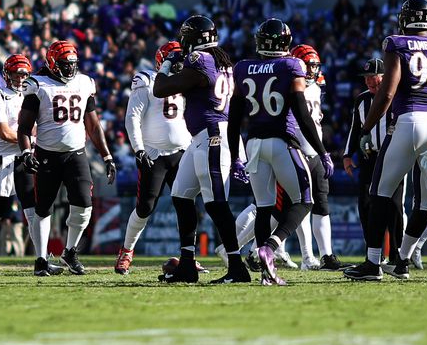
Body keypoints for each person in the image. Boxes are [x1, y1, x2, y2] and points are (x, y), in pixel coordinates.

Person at [344, 0, 427, 282]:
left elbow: (386, 93)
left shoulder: (398, 43)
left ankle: (373, 264)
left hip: (409, 121)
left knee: (380, 192)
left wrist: (364, 129)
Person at [228, 20, 328, 284]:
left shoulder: (243, 68)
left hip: (254, 144)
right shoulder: (291, 65)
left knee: (263, 207)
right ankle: (270, 248)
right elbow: (302, 114)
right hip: (282, 141)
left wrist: (235, 157)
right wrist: (322, 150)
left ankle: (266, 273)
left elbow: (235, 118)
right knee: (305, 200)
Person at [152, 15, 242, 283]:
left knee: (216, 204)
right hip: (203, 138)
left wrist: (168, 63)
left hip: (212, 136)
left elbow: (161, 88)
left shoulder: (199, 60)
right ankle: (187, 265)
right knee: (180, 195)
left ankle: (237, 267)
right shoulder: (222, 61)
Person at [16, 40, 115, 276]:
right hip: (46, 155)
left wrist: (107, 155)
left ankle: (70, 251)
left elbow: (93, 124)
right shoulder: (37, 85)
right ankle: (41, 259)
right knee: (43, 208)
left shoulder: (84, 82)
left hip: (76, 154)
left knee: (84, 205)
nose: (70, 68)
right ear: (52, 62)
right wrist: (26, 152)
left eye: (72, 64)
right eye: (64, 64)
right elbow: (24, 127)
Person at [116, 41, 189, 275]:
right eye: (173, 61)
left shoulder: (188, 80)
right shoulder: (146, 80)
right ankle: (126, 251)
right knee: (145, 206)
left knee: (186, 206)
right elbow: (132, 117)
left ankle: (188, 256)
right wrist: (138, 149)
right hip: (154, 154)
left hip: (183, 153)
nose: (177, 66)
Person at [0, 54, 39, 276]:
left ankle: (41, 259)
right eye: (16, 73)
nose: (21, 78)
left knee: (32, 210)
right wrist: (31, 138)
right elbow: (3, 132)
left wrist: (30, 140)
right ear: (7, 74)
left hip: (24, 158)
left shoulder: (32, 95)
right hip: (2, 159)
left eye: (24, 74)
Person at [342, 59, 404, 258]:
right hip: (369, 156)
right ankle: (373, 252)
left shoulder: (396, 96)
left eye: (373, 77)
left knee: (394, 205)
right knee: (366, 203)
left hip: (393, 155)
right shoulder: (361, 100)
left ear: (385, 77)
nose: (369, 81)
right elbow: (355, 129)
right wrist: (347, 155)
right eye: (366, 78)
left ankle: (397, 253)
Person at [289, 43, 338, 269]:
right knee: (300, 204)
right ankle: (308, 256)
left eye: (314, 66)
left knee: (321, 204)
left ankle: (327, 255)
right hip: (295, 150)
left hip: (316, 151)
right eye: (308, 66)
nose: (312, 71)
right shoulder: (289, 84)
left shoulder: (318, 86)